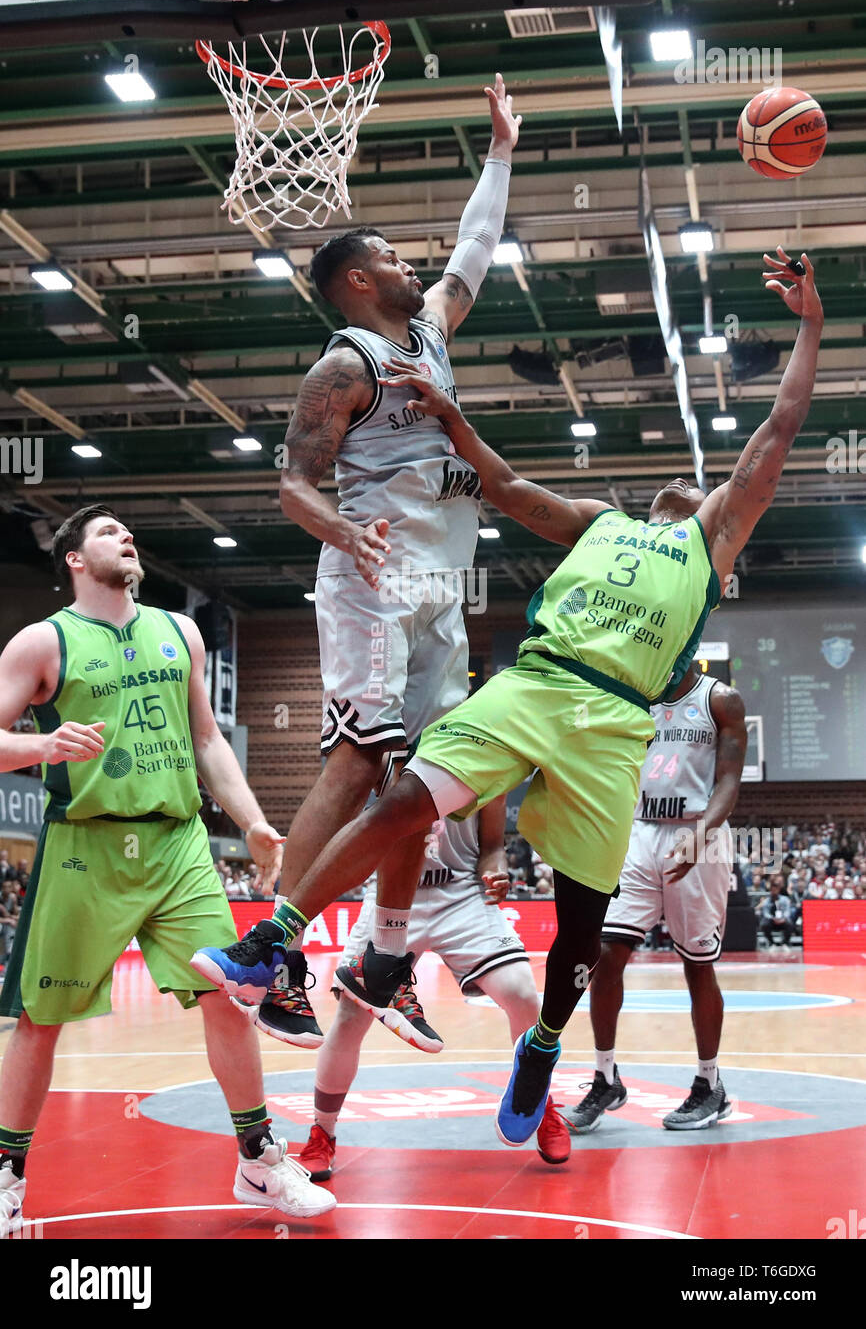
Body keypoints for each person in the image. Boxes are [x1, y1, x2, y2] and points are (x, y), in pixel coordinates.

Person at [194, 248, 823, 1152]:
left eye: (697, 484)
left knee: (579, 932)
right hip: (536, 682)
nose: (680, 487)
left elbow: (780, 429)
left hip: (612, 723)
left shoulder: (713, 539)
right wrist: (448, 413)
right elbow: (504, 488)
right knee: (406, 794)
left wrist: (807, 327)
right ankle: (276, 938)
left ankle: (545, 1045)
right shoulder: (601, 524)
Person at [191, 73, 522, 1045]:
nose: (407, 260)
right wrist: (342, 532)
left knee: (426, 777)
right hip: (371, 585)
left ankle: (382, 960)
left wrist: (498, 151)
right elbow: (292, 484)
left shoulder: (428, 333)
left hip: (439, 593)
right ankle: (276, 955)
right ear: (357, 281)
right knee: (359, 760)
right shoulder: (345, 365)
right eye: (387, 253)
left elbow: (474, 249)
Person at [0, 505, 335, 1239]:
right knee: (37, 1022)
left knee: (228, 994)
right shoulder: (42, 642)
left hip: (179, 841)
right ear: (76, 561)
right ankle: (7, 1175)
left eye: (127, 530)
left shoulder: (180, 632)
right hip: (85, 845)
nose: (125, 536)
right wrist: (43, 746)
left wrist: (249, 819)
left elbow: (208, 739)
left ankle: (257, 1158)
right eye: (107, 531)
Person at [291, 793, 570, 1176]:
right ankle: (322, 1132)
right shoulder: (385, 745)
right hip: (390, 893)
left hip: (461, 894)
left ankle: (538, 1102)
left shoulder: (485, 750)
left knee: (522, 992)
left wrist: (496, 871)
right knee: (351, 1015)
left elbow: (491, 848)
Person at [569, 662, 746, 1134]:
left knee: (696, 964)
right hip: (640, 832)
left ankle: (710, 1085)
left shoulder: (720, 701)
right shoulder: (631, 696)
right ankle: (606, 1077)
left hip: (698, 832)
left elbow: (729, 782)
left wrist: (702, 833)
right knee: (604, 955)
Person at [758, 877, 795, 948]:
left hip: (783, 920)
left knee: (790, 924)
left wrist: (783, 918)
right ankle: (772, 943)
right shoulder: (767, 901)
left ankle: (785, 943)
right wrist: (773, 919)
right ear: (770, 891)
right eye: (772, 890)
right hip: (772, 921)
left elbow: (787, 911)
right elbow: (766, 913)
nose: (774, 891)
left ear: (778, 890)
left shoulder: (785, 899)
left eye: (776, 890)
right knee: (764, 924)